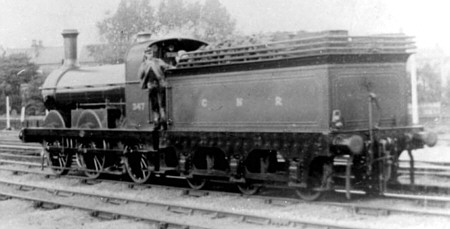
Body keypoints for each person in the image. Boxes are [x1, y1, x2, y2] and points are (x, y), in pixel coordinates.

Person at [138, 45, 172, 130]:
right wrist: (144, 65)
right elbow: (140, 75)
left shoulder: (158, 61)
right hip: (151, 85)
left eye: (151, 53)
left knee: (161, 104)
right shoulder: (144, 64)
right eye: (148, 53)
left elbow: (166, 66)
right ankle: (156, 122)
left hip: (160, 84)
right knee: (154, 104)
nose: (150, 54)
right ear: (145, 54)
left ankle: (163, 122)